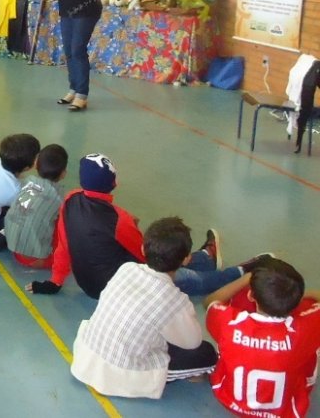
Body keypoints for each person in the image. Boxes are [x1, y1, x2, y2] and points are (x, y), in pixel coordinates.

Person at [28, 154, 261, 299]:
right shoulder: (120, 219)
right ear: (115, 183)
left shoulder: (70, 200)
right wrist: (177, 262)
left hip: (88, 285)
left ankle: (205, 257)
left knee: (177, 261)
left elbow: (63, 247)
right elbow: (148, 256)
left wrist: (55, 281)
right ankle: (243, 272)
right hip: (120, 290)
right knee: (187, 278)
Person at [70, 217, 219, 399]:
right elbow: (192, 343)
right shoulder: (174, 299)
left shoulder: (127, 268)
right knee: (206, 354)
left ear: (142, 248)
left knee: (158, 328)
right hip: (121, 375)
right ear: (187, 259)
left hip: (87, 357)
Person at [205, 257, 320, 417]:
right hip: (286, 411)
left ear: (252, 296)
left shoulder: (228, 321)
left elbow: (210, 301)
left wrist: (246, 278)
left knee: (236, 299)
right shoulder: (306, 327)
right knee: (311, 325)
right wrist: (302, 296)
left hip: (229, 399)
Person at [52, 0, 107, 112]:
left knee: (77, 49)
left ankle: (82, 95)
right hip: (66, 11)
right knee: (68, 51)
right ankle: (73, 88)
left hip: (85, 11)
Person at [3, 144, 68, 268]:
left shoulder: (28, 181)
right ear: (63, 173)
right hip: (33, 258)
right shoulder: (58, 198)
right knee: (64, 223)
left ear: (36, 164)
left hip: (12, 245)